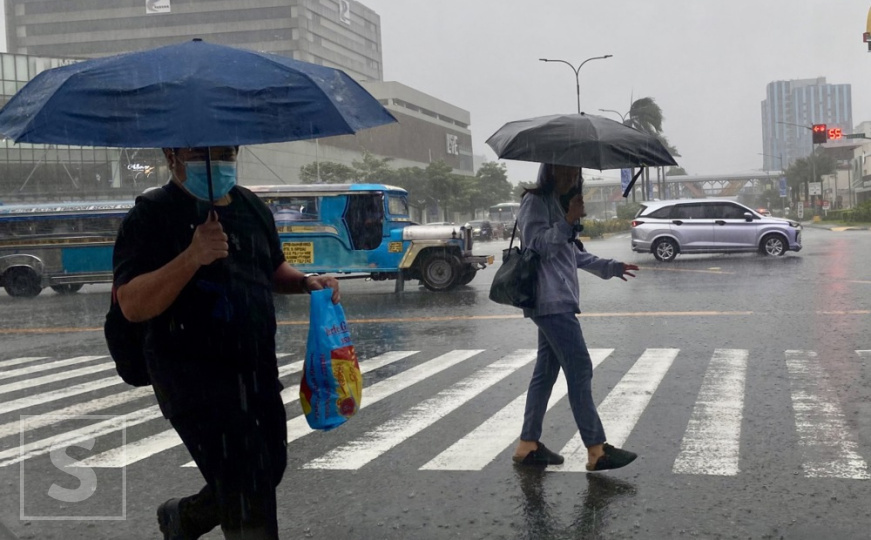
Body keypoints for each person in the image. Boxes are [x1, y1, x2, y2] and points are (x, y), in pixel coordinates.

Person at [113, 145, 340, 540]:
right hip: (191, 378)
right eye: (204, 150)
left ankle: (186, 518)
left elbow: (270, 267)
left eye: (226, 150)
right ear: (172, 155)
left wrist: (306, 281)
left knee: (269, 468)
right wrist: (193, 256)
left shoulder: (251, 206)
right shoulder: (150, 215)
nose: (218, 159)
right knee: (247, 491)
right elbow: (132, 304)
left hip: (255, 372)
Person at [511, 163, 640, 472]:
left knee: (545, 372)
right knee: (580, 366)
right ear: (549, 171)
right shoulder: (535, 202)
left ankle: (528, 445)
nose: (569, 175)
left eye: (574, 171)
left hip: (559, 300)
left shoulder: (559, 203)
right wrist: (568, 220)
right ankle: (596, 450)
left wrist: (611, 267)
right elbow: (537, 247)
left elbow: (573, 254)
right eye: (562, 170)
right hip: (548, 300)